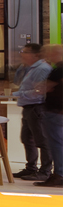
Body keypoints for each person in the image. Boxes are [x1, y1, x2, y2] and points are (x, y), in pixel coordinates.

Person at [13, 42, 51, 179]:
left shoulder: (42, 69)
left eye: (24, 52)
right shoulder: (30, 68)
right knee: (27, 138)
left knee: (42, 140)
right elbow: (18, 82)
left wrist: (17, 94)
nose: (21, 55)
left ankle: (45, 171)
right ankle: (31, 168)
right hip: (28, 107)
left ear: (35, 55)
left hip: (36, 107)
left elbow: (39, 92)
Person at [42, 45, 63, 189]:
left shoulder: (58, 70)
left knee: (56, 144)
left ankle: (59, 175)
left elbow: (45, 87)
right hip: (58, 111)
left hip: (55, 111)